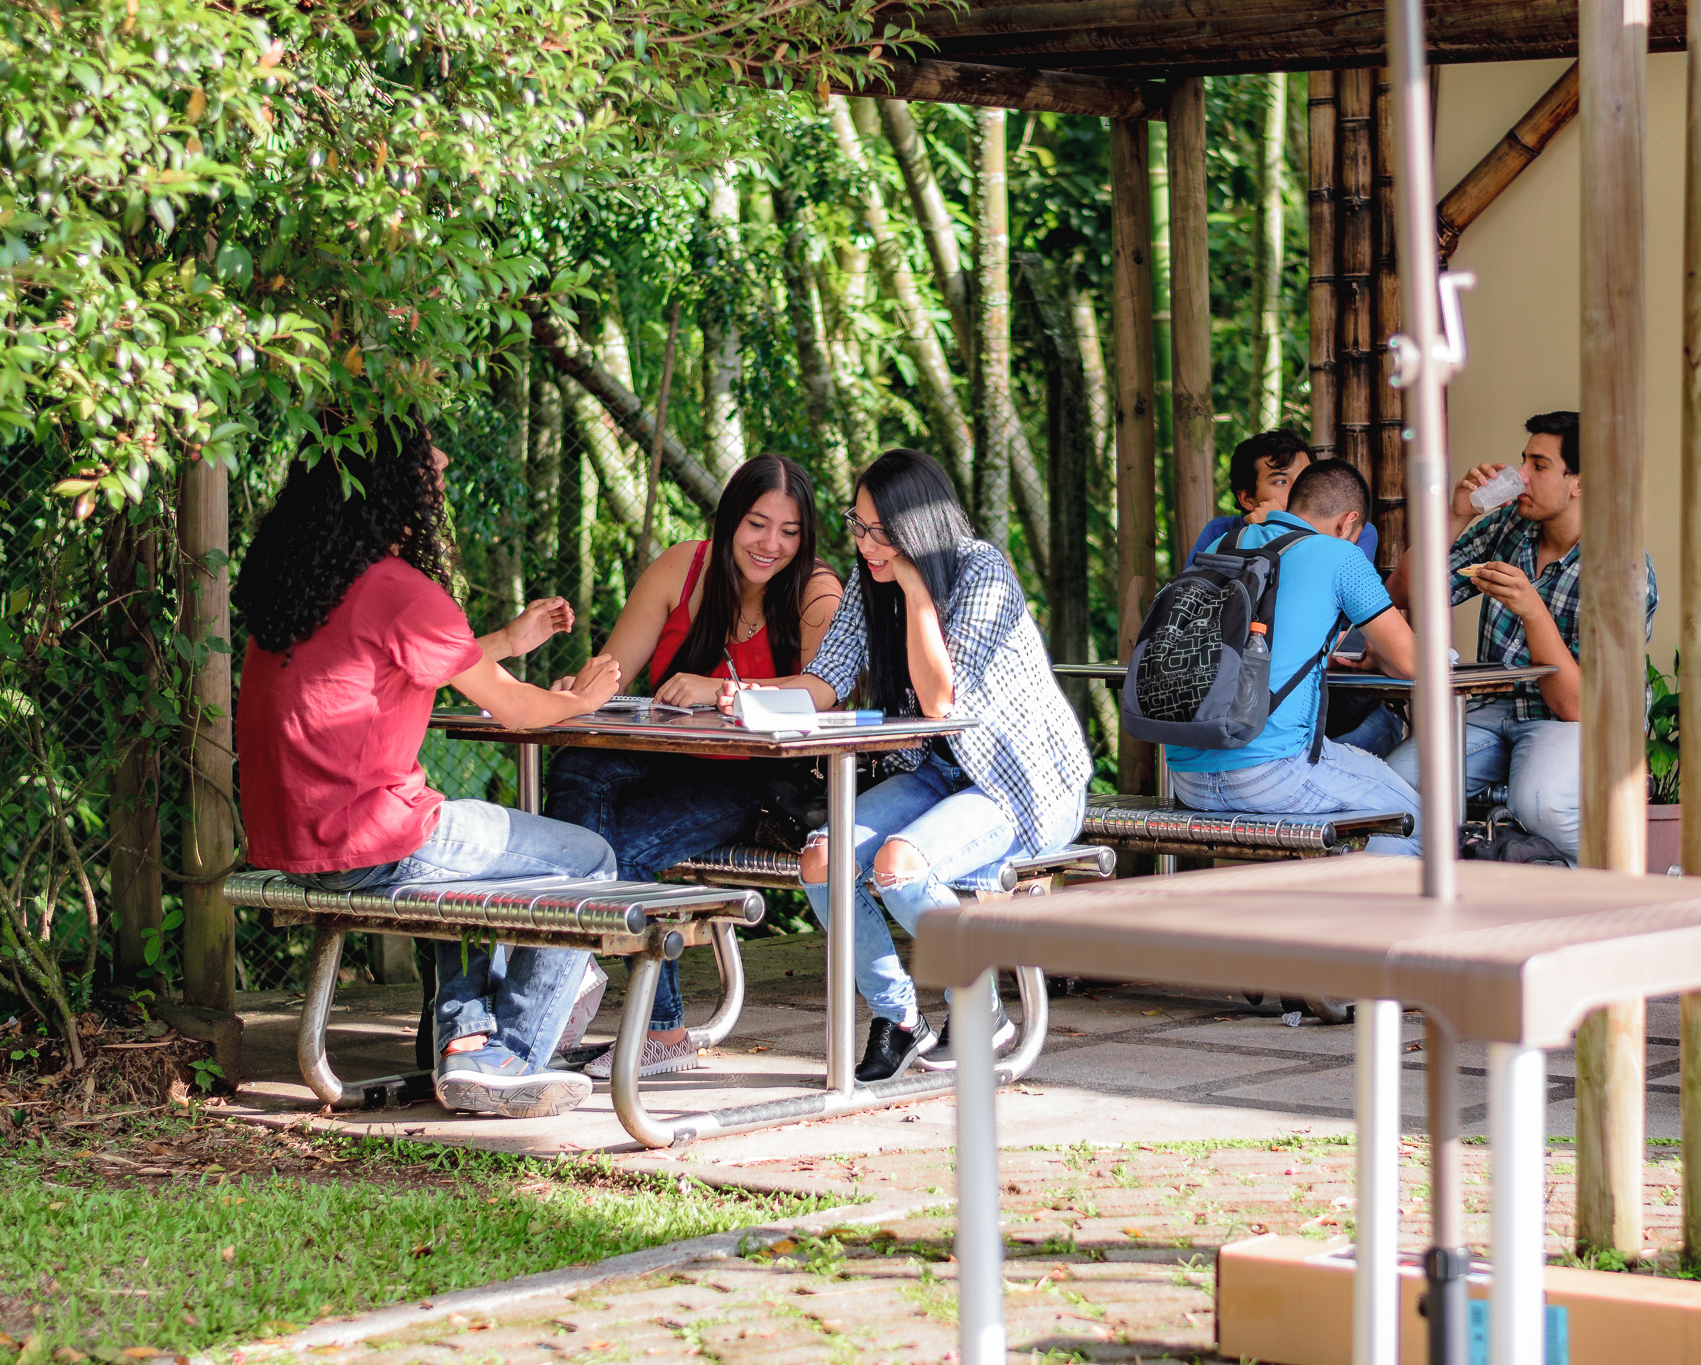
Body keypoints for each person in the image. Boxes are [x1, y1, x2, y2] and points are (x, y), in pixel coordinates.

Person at [235, 417, 625, 1119]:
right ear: (394, 491)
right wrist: (588, 698)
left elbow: (403, 664)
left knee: (455, 849)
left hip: (295, 844)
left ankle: (464, 1044)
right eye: (432, 477)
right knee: (590, 859)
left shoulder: (302, 580)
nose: (440, 492)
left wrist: (511, 638)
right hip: (368, 841)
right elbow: (516, 712)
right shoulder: (401, 587)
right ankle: (513, 1052)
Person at [720, 449, 1091, 1083]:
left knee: (898, 866)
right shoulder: (871, 584)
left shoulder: (982, 571)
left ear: (921, 528)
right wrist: (743, 697)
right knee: (822, 859)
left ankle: (980, 1009)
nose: (866, 545)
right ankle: (897, 1019)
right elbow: (826, 680)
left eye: (882, 531)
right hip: (939, 778)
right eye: (859, 527)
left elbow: (942, 700)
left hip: (1021, 784)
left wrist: (916, 586)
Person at [542, 455, 842, 1080]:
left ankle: (658, 1027)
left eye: (789, 532)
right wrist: (581, 686)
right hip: (658, 755)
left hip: (750, 781)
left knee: (614, 852)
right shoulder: (684, 565)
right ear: (731, 518)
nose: (771, 544)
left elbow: (824, 691)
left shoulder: (817, 590)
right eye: (757, 524)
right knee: (576, 764)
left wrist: (722, 688)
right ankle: (578, 968)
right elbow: (615, 669)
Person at [1381, 410, 1658, 863]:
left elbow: (1577, 705)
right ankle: (1442, 895)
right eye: (1522, 461)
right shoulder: (1510, 526)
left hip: (1577, 719)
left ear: (1581, 482)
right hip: (1497, 707)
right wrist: (1454, 515)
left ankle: (1597, 888)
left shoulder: (1621, 568)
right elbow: (1404, 590)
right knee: (1393, 785)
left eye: (1539, 465)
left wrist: (1532, 610)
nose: (1520, 476)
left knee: (1541, 802)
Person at [1164, 459, 1423, 852]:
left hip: (1188, 776)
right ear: (1347, 522)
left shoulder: (1225, 543)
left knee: (1360, 841)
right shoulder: (1340, 556)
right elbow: (1413, 662)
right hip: (1272, 773)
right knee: (1430, 828)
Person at [1186, 428, 1380, 567]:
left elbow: (1337, 604)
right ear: (1247, 498)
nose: (1300, 490)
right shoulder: (1220, 533)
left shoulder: (1350, 529)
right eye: (1281, 482)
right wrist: (1261, 535)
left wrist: (1276, 533)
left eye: (1305, 478)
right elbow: (1195, 598)